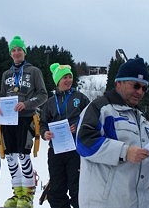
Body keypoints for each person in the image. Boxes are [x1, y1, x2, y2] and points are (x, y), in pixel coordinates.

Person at [76, 57, 149, 208]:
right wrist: (124, 151)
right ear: (119, 82)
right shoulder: (101, 108)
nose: (140, 92)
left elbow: (146, 159)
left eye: (144, 88)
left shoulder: (142, 120)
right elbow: (84, 142)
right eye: (136, 85)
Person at [0, 35, 48, 208]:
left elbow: (43, 95)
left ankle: (28, 195)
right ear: (11, 54)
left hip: (26, 119)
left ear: (24, 52)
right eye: (13, 50)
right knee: (10, 156)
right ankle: (17, 193)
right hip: (8, 120)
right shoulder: (6, 74)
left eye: (19, 49)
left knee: (23, 155)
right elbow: (2, 96)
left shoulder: (34, 71)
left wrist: (26, 104)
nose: (16, 52)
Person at [40, 63, 90, 208]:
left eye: (69, 77)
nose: (68, 80)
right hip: (56, 150)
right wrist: (45, 133)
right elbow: (43, 123)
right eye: (64, 77)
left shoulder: (80, 98)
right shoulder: (49, 103)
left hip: (75, 149)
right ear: (58, 81)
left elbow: (91, 118)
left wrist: (79, 127)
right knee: (56, 188)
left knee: (76, 187)